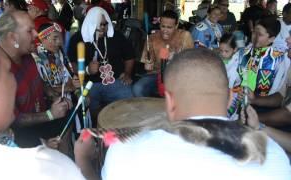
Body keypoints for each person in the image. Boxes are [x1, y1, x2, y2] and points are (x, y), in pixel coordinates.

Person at [76, 48, 291, 179]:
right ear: (228, 99)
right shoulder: (273, 156)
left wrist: (84, 160)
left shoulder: (125, 152)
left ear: (169, 102)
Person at [0, 28, 86, 180]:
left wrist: (42, 143)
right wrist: (85, 159)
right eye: (8, 73)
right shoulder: (49, 168)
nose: (35, 35)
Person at [0, 11, 72, 150]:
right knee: (47, 151)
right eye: (30, 31)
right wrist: (50, 114)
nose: (36, 34)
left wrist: (53, 96)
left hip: (40, 115)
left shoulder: (27, 55)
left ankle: (67, 161)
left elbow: (38, 81)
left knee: (67, 118)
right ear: (13, 38)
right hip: (18, 134)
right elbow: (14, 119)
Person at [68, 7, 134, 123]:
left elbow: (129, 56)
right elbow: (72, 65)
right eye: (100, 25)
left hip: (115, 80)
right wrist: (87, 70)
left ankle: (122, 128)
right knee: (90, 108)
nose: (103, 27)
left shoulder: (116, 36)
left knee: (128, 100)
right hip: (89, 83)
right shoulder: (78, 39)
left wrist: (127, 74)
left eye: (105, 24)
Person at [132, 10, 194, 97]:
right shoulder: (152, 38)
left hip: (179, 74)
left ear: (176, 25)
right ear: (159, 24)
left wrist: (176, 57)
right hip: (156, 74)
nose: (165, 30)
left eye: (169, 27)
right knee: (137, 88)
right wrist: (148, 65)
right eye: (163, 26)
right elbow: (149, 65)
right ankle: (149, 110)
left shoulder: (185, 36)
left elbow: (191, 61)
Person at [239, 17, 288, 111]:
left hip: (263, 105)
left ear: (271, 39)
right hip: (241, 99)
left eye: (260, 34)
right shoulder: (245, 52)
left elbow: (278, 89)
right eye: (254, 32)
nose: (254, 36)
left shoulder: (278, 59)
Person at [218, 33, 242, 120]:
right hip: (222, 92)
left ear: (235, 49)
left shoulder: (236, 65)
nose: (223, 54)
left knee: (227, 117)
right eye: (221, 50)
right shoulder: (220, 59)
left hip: (233, 94)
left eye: (226, 51)